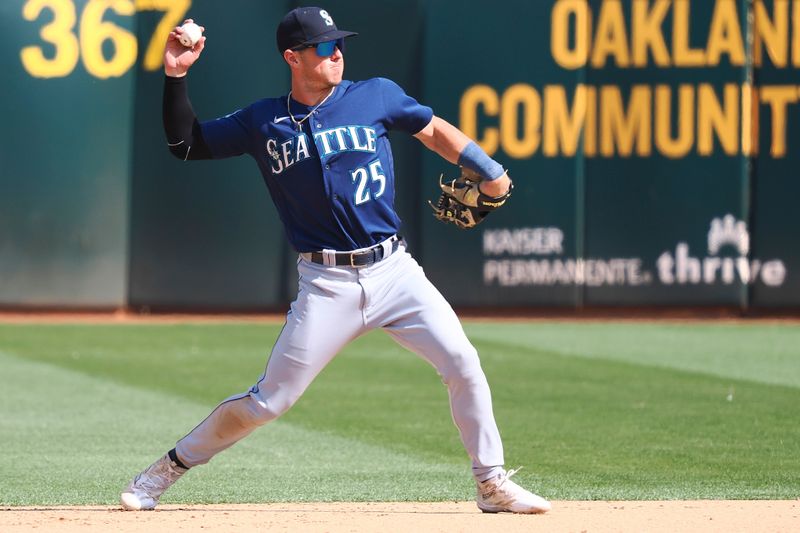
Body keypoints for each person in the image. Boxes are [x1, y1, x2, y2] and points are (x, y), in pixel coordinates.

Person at [120, 7, 550, 514]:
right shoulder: (263, 121)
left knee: (463, 363)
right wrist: (176, 74)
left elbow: (432, 129)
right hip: (326, 283)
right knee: (269, 402)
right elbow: (185, 145)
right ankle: (164, 470)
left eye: (339, 44)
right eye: (324, 47)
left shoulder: (376, 95)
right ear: (292, 58)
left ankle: (491, 483)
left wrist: (490, 170)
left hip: (395, 272)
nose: (337, 53)